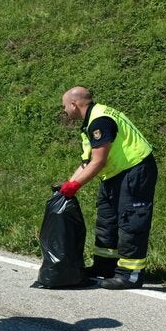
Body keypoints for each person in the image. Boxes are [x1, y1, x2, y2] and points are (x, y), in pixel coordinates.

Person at [59, 86, 157, 290]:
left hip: (134, 170)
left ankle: (130, 274)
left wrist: (75, 186)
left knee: (131, 221)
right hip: (115, 174)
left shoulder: (99, 121)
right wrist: (67, 185)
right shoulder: (92, 120)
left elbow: (99, 161)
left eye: (64, 107)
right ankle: (105, 266)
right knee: (107, 219)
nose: (64, 111)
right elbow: (87, 162)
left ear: (74, 104)